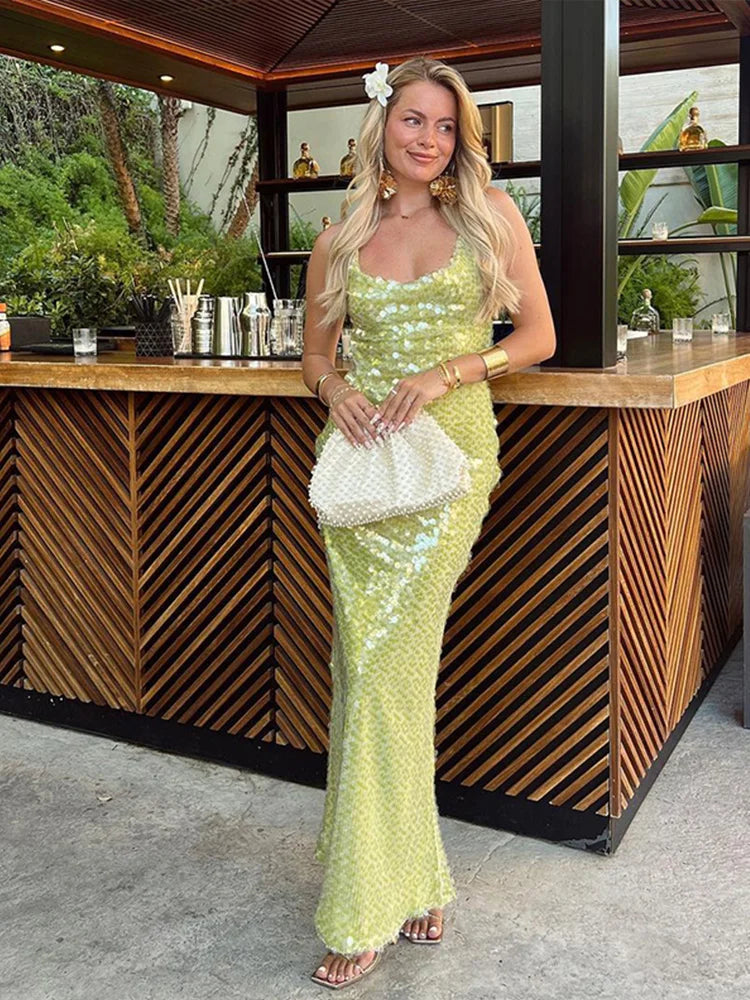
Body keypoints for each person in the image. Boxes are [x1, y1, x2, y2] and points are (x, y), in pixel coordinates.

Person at [301, 55, 556, 989]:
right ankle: (411, 874)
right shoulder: (339, 237)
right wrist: (334, 392)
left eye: (446, 127)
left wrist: (448, 372)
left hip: (451, 467)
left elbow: (539, 336)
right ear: (382, 126)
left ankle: (367, 895)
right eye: (414, 120)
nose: (429, 139)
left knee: (383, 670)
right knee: (368, 672)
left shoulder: (490, 218)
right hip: (367, 474)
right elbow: (315, 357)